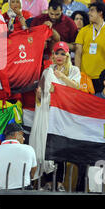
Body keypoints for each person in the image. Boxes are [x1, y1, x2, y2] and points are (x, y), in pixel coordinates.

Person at [29, 41, 80, 190]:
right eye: (56, 53)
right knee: (45, 144)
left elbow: (76, 87)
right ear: (52, 55)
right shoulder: (47, 71)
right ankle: (48, 182)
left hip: (64, 114)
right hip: (47, 112)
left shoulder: (74, 70)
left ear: (67, 56)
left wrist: (61, 77)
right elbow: (41, 97)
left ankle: (59, 182)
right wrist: (38, 96)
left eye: (62, 53)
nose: (59, 56)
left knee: (60, 145)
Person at [75, 2, 105, 92]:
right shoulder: (83, 31)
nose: (89, 13)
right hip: (86, 77)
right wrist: (78, 74)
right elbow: (78, 54)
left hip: (104, 77)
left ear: (100, 13)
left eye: (92, 10)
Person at [0, 123, 37, 190]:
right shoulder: (29, 149)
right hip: (24, 191)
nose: (24, 138)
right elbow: (32, 173)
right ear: (16, 135)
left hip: (1, 192)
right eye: (22, 135)